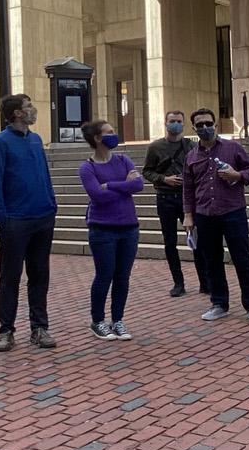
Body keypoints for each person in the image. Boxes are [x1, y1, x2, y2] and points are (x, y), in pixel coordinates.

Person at [0, 93, 60, 351]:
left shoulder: (37, 140)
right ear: (17, 113)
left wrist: (52, 204)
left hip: (43, 216)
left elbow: (44, 175)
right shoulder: (0, 143)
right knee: (10, 277)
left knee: (40, 275)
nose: (33, 109)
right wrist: (2, 217)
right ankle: (6, 330)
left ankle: (39, 327)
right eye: (28, 106)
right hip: (15, 221)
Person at [184, 108, 249, 324]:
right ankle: (219, 302)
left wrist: (237, 175)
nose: (204, 128)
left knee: (242, 258)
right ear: (193, 128)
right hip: (204, 214)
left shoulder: (232, 148)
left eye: (208, 123)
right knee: (212, 261)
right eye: (199, 125)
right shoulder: (192, 156)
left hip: (233, 211)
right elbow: (188, 188)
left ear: (215, 125)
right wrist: (188, 216)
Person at [79, 119, 144, 341]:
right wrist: (124, 186)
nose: (114, 135)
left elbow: (138, 185)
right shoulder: (88, 167)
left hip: (129, 227)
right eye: (109, 132)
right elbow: (97, 196)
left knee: (122, 276)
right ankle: (98, 321)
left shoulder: (123, 159)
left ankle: (118, 320)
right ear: (97, 138)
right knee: (104, 275)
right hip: (102, 229)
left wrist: (112, 185)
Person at [141, 110, 203, 297]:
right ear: (166, 123)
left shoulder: (191, 146)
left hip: (187, 198)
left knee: (196, 241)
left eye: (178, 121)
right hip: (165, 198)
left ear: (183, 124)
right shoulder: (155, 147)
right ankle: (178, 282)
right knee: (170, 242)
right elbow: (147, 171)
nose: (175, 124)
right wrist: (164, 179)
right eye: (172, 121)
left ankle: (205, 281)